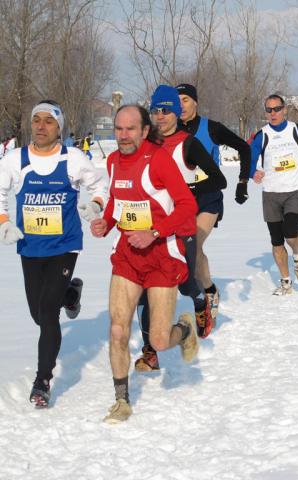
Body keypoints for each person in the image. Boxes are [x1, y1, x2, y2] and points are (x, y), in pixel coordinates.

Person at [90, 105, 199, 423]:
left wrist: (154, 232)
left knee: (159, 340)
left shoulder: (159, 160)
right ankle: (121, 400)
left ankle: (186, 329)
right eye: (119, 129)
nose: (123, 136)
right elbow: (117, 202)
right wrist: (106, 223)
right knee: (118, 329)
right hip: (128, 256)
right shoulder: (112, 162)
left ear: (145, 131)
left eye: (130, 129)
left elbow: (187, 206)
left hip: (161, 254)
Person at [0, 100, 108, 408]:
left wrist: (96, 204)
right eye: (37, 120)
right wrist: (4, 221)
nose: (41, 126)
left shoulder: (72, 158)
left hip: (64, 244)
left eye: (49, 121)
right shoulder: (15, 159)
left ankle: (42, 380)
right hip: (30, 245)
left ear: (58, 127)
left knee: (47, 314)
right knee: (38, 314)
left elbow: (100, 184)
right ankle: (70, 295)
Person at [134, 85, 227, 372]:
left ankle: (200, 303)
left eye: (166, 110)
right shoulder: (145, 142)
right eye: (155, 111)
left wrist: (186, 188)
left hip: (181, 227)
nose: (160, 116)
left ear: (177, 112)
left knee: (186, 283)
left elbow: (219, 180)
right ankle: (150, 351)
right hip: (150, 226)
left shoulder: (188, 144)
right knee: (143, 288)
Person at [176, 83, 252, 318]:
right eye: (177, 100)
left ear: (196, 102)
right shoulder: (170, 130)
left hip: (208, 197)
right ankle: (198, 286)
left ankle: (209, 291)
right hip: (180, 198)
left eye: (186, 99)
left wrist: (242, 181)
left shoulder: (210, 128)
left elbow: (243, 148)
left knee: (195, 244)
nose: (181, 105)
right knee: (181, 249)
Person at [249, 94, 298, 295]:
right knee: (276, 241)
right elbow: (248, 160)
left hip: (294, 192)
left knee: (290, 233)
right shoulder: (261, 136)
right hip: (271, 194)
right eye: (268, 110)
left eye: (277, 109)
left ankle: (297, 255)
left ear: (284, 109)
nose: (273, 113)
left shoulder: (297, 131)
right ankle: (286, 282)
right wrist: (252, 173)